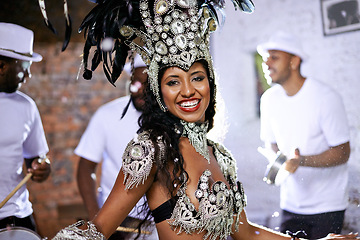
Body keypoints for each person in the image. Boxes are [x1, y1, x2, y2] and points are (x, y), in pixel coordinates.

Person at [52, 1, 358, 239]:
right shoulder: (151, 151)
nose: (188, 90)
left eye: (197, 77)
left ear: (210, 81)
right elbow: (98, 229)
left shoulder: (219, 155)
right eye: (173, 81)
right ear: (159, 91)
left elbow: (247, 233)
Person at [257, 31, 351, 239]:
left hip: (327, 205)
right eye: (265, 58)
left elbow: (343, 153)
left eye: (274, 57)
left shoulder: (325, 97)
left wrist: (301, 161)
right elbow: (272, 145)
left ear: (294, 61)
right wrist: (280, 162)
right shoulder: (268, 100)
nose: (267, 63)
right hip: (290, 203)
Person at [75, 53, 156, 239]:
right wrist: (96, 217)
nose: (140, 90)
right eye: (135, 83)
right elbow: (85, 168)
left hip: (160, 223)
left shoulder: (171, 120)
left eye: (148, 85)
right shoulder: (107, 115)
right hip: (118, 222)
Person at [0, 22, 51, 232]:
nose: (28, 75)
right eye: (24, 67)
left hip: (16, 215)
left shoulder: (26, 106)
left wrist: (42, 167)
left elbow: (36, 158)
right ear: (1, 66)